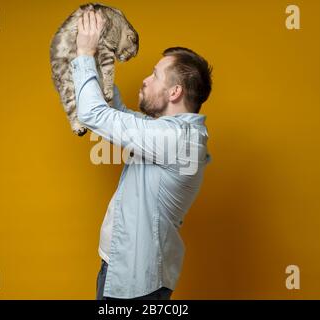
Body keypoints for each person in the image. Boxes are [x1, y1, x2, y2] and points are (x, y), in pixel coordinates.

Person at [71, 10, 212, 299]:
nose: (146, 80)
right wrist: (101, 58)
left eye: (155, 74)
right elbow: (118, 114)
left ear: (174, 92)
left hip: (136, 283)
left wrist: (84, 53)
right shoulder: (167, 132)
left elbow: (93, 113)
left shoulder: (176, 140)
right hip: (122, 269)